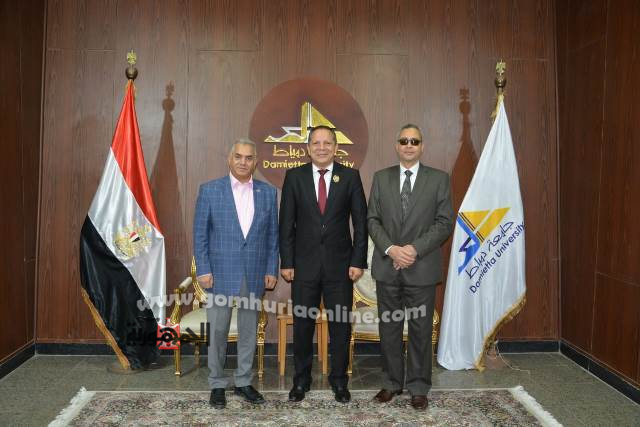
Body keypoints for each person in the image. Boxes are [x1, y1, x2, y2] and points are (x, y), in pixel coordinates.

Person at [367, 124, 454, 410]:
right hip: (388, 267)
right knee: (389, 329)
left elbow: (444, 222)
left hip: (421, 267)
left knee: (420, 330)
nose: (408, 145)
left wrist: (413, 249)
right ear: (396, 145)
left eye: (414, 141)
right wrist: (392, 249)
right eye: (404, 140)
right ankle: (392, 383)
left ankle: (418, 387)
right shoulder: (381, 178)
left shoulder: (438, 179)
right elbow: (372, 220)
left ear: (422, 146)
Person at [279, 125, 368, 403]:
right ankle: (301, 380)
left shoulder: (350, 176)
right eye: (316, 143)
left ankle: (339, 381)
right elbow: (286, 224)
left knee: (340, 326)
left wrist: (358, 261)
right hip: (303, 266)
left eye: (327, 143)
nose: (321, 147)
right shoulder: (294, 176)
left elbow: (361, 224)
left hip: (340, 267)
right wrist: (287, 261)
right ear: (308, 148)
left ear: (335, 147)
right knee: (303, 326)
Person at [193, 139, 279, 409]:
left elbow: (272, 236)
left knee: (248, 330)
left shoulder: (268, 193)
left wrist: (271, 269)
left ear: (256, 162)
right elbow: (200, 235)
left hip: (253, 273)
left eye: (249, 158)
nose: (243, 162)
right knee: (217, 331)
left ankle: (243, 381)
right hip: (218, 274)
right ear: (230, 159)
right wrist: (203, 269)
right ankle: (217, 384)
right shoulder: (210, 190)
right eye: (238, 157)